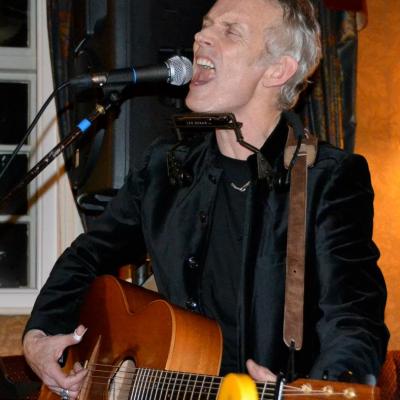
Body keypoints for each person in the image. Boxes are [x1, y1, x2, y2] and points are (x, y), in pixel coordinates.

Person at [23, 0, 389, 399]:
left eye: (230, 31)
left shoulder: (327, 178)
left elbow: (353, 318)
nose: (200, 37)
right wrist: (40, 334)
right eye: (206, 25)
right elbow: (88, 255)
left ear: (278, 70)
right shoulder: (164, 168)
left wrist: (329, 382)